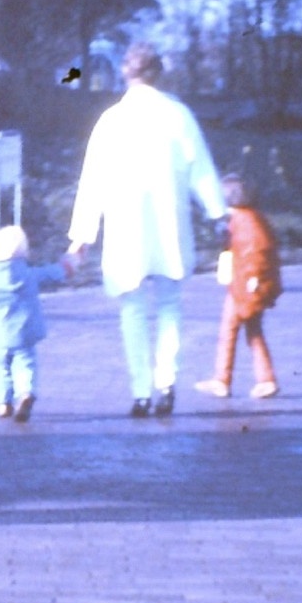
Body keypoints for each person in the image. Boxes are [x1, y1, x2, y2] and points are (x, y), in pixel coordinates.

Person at [68, 41, 227, 417]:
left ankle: (141, 392)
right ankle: (166, 384)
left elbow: (93, 181)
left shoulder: (111, 121)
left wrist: (82, 236)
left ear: (127, 73)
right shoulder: (179, 116)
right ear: (159, 73)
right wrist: (218, 213)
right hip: (168, 226)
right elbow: (201, 170)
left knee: (133, 309)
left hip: (127, 230)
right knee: (171, 305)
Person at [0, 224, 71, 422]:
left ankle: (3, 403)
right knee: (26, 364)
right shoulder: (29, 275)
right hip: (25, 333)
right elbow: (50, 273)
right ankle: (26, 394)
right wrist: (65, 268)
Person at [195, 174, 282, 399]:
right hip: (246, 285)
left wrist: (253, 277)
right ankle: (265, 379)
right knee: (253, 332)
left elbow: (255, 252)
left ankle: (223, 379)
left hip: (243, 286)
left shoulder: (244, 221)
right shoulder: (253, 218)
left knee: (229, 332)